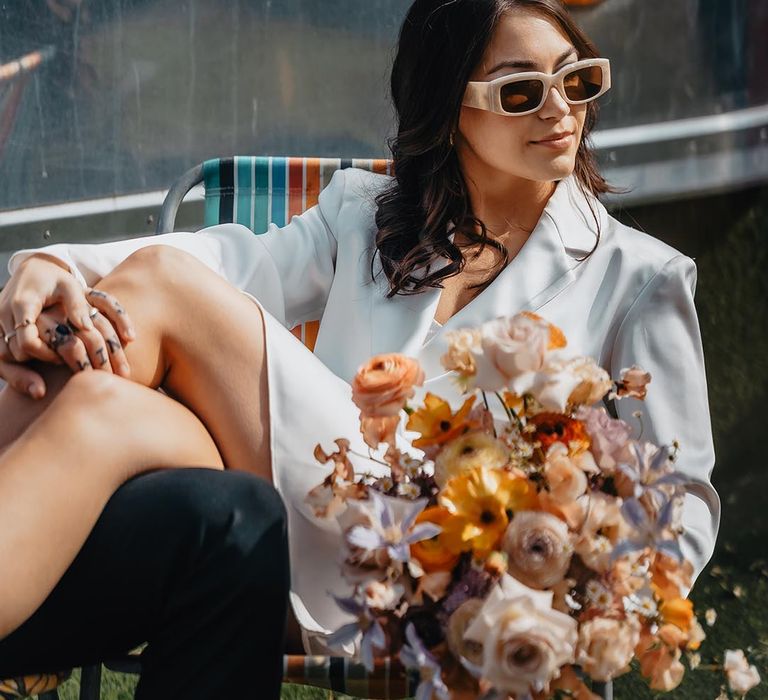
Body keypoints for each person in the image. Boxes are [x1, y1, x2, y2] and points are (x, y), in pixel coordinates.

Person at [0, 0, 718, 683]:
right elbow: (224, 262)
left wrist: (554, 591)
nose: (562, 108)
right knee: (105, 401)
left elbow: (683, 506)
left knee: (158, 282)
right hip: (277, 545)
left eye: (578, 78)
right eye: (522, 92)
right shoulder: (370, 217)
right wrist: (49, 265)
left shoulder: (640, 275)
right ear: (448, 110)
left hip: (435, 582)